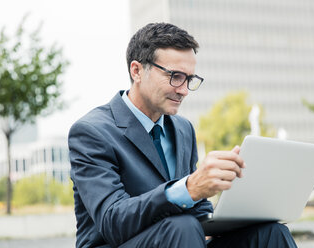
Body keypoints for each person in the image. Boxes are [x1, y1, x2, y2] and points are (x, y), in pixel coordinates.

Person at [68, 22, 298, 248]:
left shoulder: (183, 129)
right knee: (182, 227)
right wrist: (188, 188)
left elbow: (197, 209)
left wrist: (233, 206)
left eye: (189, 79)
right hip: (124, 242)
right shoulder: (91, 132)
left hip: (182, 238)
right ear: (137, 71)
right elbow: (112, 221)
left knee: (270, 233)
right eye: (175, 76)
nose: (184, 90)